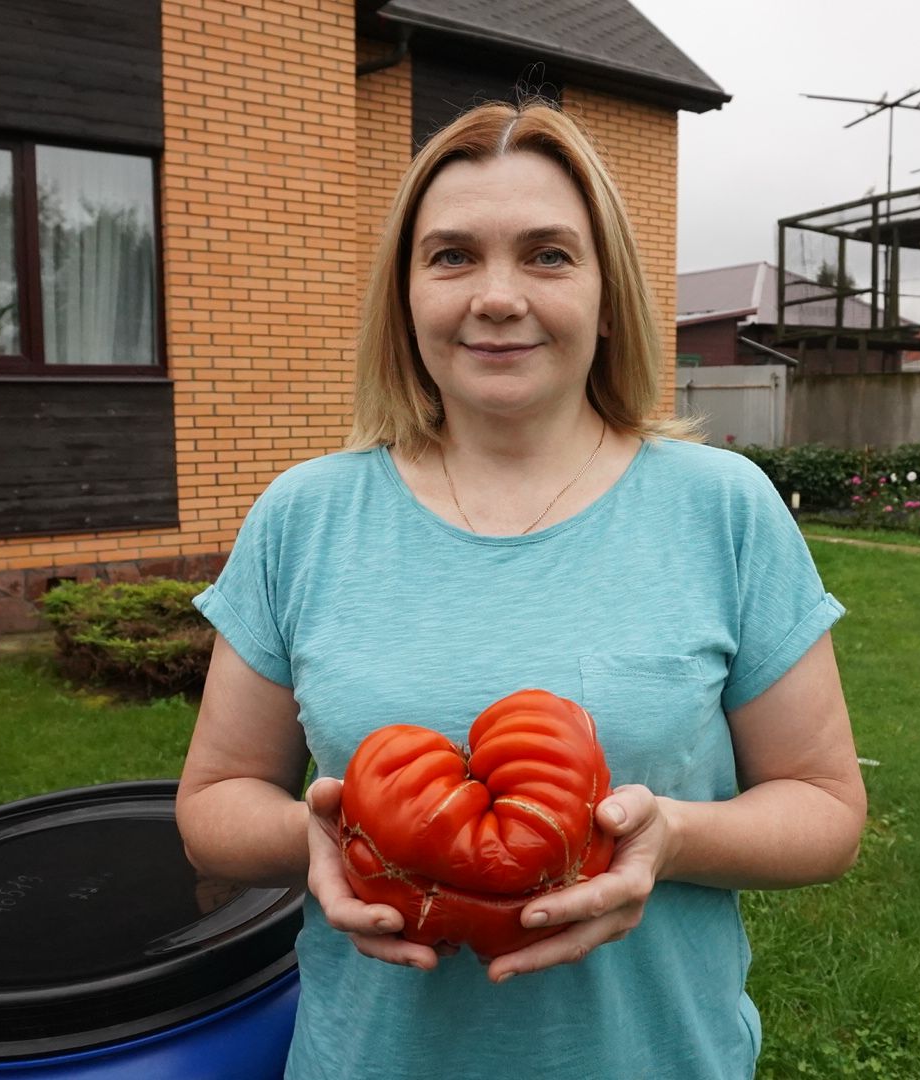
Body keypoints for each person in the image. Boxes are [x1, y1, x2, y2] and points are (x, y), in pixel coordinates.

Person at [175, 98, 866, 1080]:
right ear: (404, 295)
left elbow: (824, 808)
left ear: (606, 292)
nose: (495, 296)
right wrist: (317, 837)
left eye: (547, 254)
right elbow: (212, 802)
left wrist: (668, 837)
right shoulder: (305, 516)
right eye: (450, 255)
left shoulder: (721, 509)